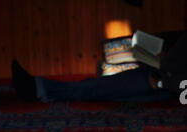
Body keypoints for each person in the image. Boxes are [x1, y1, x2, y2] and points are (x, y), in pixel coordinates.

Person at [11, 32, 187, 103]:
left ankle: (39, 88)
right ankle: (41, 89)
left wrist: (163, 83)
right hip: (160, 73)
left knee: (99, 88)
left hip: (165, 85)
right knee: (99, 87)